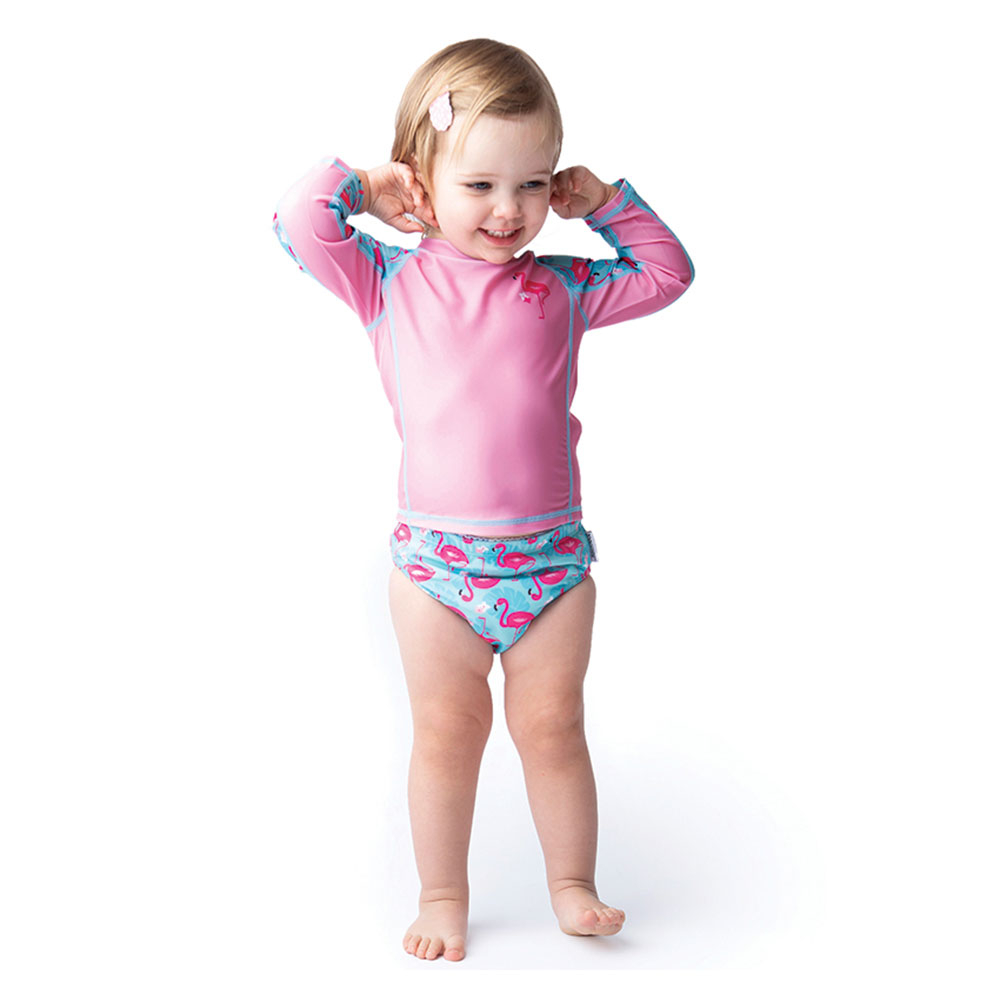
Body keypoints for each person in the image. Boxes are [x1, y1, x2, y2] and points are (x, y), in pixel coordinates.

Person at [273, 37, 694, 963]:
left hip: (550, 564)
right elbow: (299, 220)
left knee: (554, 729)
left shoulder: (565, 287)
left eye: (533, 184)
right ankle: (442, 894)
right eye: (479, 185)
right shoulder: (386, 280)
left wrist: (604, 203)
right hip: (437, 569)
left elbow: (669, 273)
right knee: (446, 733)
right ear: (423, 183)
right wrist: (368, 185)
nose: (510, 210)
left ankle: (573, 885)